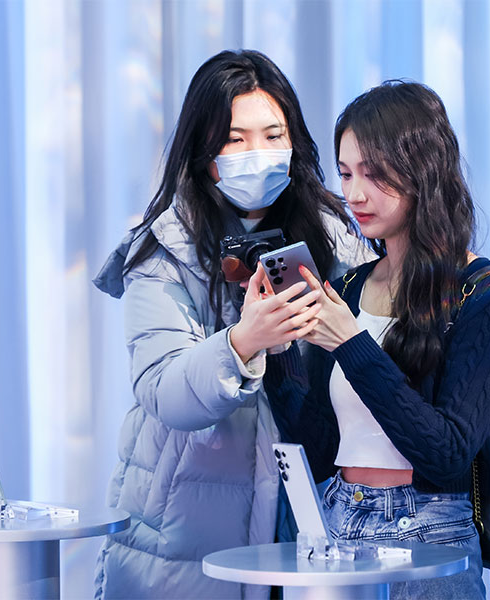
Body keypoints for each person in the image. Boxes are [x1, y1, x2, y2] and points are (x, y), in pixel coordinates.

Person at [91, 49, 372, 599]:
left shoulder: (336, 234)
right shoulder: (165, 249)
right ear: (204, 151)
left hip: (317, 506)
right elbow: (162, 388)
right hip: (187, 530)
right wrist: (243, 344)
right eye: (235, 139)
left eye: (272, 135)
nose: (257, 153)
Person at [256, 81, 490, 599]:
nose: (355, 194)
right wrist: (278, 350)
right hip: (336, 522)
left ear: (423, 169)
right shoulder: (351, 287)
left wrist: (352, 344)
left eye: (374, 173)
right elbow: (318, 449)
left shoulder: (487, 296)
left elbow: (446, 454)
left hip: (430, 530)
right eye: (345, 173)